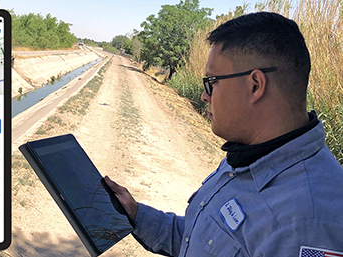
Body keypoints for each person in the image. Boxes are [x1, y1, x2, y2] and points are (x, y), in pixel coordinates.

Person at [105, 11, 343, 256]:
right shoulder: (248, 157)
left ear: (255, 85)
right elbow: (195, 240)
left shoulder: (309, 221)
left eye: (212, 81)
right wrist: (135, 214)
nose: (204, 96)